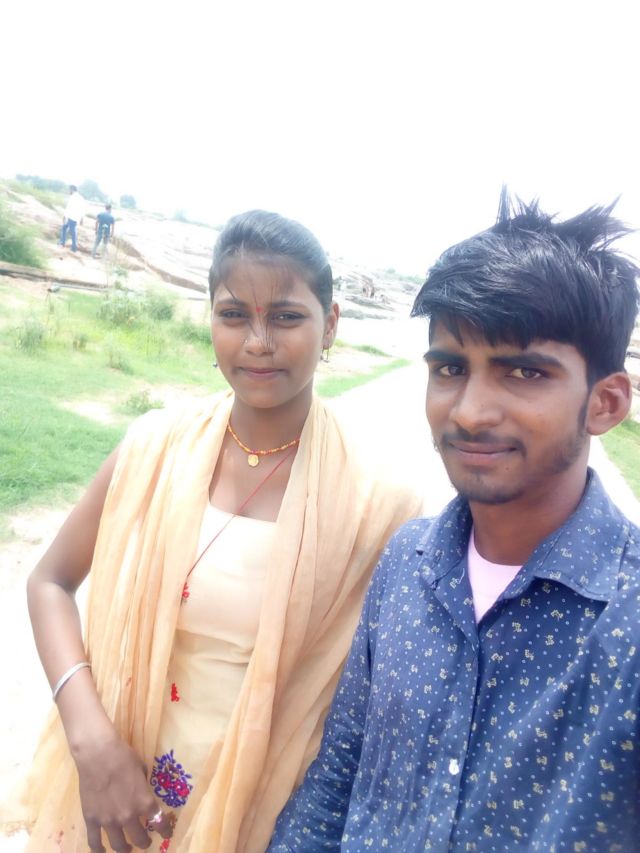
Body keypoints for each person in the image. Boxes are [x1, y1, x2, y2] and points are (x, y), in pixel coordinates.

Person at [9, 211, 421, 852]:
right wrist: (91, 744)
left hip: (267, 817)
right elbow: (49, 583)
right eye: (234, 315)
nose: (258, 341)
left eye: (285, 316)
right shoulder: (153, 449)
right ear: (210, 319)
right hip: (115, 788)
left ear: (331, 324)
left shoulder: (379, 504)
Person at [269, 195, 640, 852]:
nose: (468, 412)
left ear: (605, 402)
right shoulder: (406, 562)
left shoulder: (625, 624)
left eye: (523, 371)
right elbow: (338, 776)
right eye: (449, 368)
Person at [60, 184, 85, 252]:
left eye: (69, 190)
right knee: (65, 228)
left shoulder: (72, 197)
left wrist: (64, 216)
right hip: (76, 217)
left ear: (72, 189)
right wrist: (82, 219)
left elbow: (68, 207)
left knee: (72, 232)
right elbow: (83, 209)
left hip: (71, 216)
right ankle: (63, 243)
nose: (69, 191)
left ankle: (73, 247)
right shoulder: (81, 198)